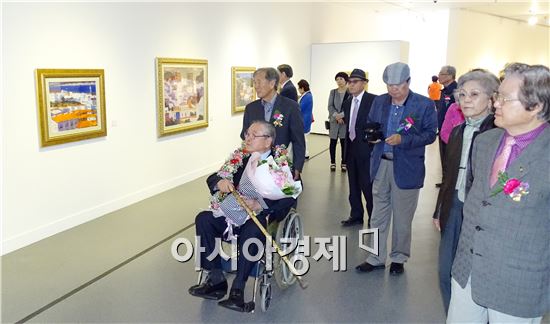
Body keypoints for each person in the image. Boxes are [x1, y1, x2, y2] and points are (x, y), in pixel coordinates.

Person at [448, 63, 550, 323]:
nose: (496, 104)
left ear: (536, 106)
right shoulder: (486, 142)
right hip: (467, 272)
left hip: (516, 283)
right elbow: (477, 201)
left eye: (504, 98)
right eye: (497, 96)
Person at [189, 121, 296, 312]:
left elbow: (289, 198)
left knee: (252, 231)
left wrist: (261, 204)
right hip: (232, 211)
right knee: (203, 219)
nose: (247, 138)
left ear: (268, 141)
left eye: (253, 135)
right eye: (247, 134)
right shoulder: (241, 158)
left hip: (259, 218)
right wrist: (219, 183)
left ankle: (237, 290)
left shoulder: (279, 164)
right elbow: (213, 177)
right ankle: (216, 280)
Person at [356, 62, 437, 275]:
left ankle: (399, 257)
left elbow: (430, 134)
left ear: (408, 82)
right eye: (389, 85)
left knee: (402, 217)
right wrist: (371, 136)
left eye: (398, 85)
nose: (393, 90)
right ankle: (375, 256)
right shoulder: (380, 101)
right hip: (380, 163)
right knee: (377, 214)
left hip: (407, 166)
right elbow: (371, 123)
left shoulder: (423, 104)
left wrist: (404, 139)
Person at [432, 69, 499, 314]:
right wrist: (439, 209)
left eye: (474, 94)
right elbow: (448, 175)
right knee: (445, 271)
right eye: (462, 94)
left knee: (473, 275)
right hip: (453, 208)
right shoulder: (458, 131)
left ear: (492, 99)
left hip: (479, 215)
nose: (465, 100)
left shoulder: (498, 134)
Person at [241, 67, 306, 179]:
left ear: (272, 83)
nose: (255, 86)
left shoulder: (290, 107)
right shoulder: (251, 108)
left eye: (259, 82)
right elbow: (244, 134)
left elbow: (298, 140)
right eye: (254, 82)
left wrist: (297, 167)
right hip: (255, 166)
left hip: (281, 166)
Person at [340, 69, 377, 227]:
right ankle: (356, 215)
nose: (351, 85)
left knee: (367, 185)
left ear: (364, 83)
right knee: (353, 185)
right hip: (351, 147)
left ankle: (373, 217)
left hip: (367, 149)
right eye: (349, 82)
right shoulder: (348, 101)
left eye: (355, 82)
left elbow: (377, 124)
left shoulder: (373, 100)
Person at [436, 65, 458, 187]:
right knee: (444, 157)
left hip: (452, 132)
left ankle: (450, 183)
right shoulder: (444, 91)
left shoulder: (456, 91)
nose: (439, 76)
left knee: (450, 158)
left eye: (442, 74)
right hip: (442, 129)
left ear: (450, 76)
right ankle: (445, 181)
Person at [327, 72, 351, 171]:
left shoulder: (350, 93)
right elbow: (330, 106)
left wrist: (341, 116)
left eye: (341, 79)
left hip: (344, 122)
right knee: (332, 143)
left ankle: (344, 162)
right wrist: (337, 116)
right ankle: (332, 162)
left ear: (346, 80)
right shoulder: (333, 92)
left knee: (344, 143)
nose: (339, 81)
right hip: (334, 122)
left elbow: (350, 107)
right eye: (337, 79)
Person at [297, 79, 313, 159]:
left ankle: (305, 153)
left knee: (303, 138)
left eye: (299, 88)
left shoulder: (307, 96)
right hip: (305, 119)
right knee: (304, 138)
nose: (298, 90)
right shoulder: (307, 95)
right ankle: (305, 153)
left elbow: (300, 107)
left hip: (304, 120)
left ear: (302, 88)